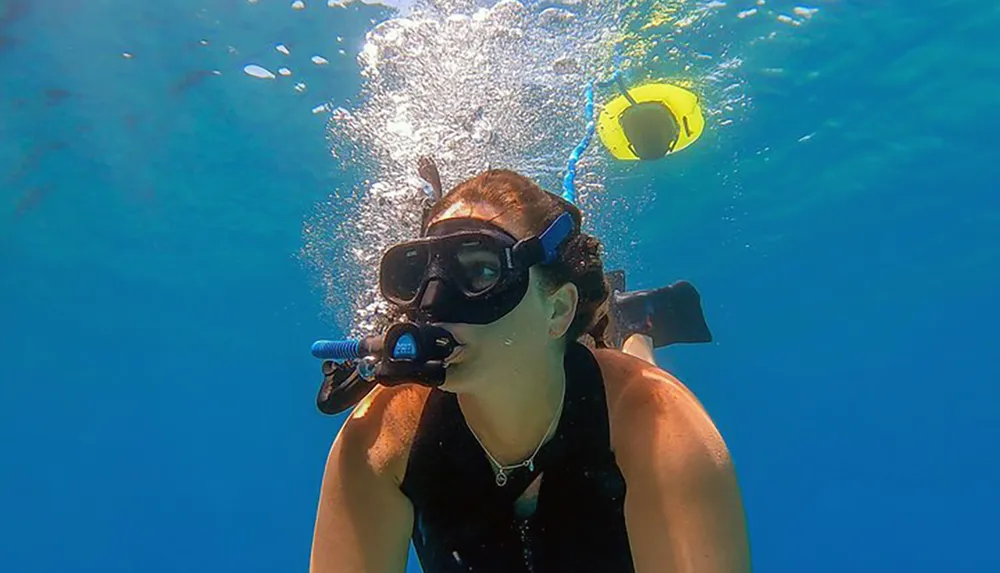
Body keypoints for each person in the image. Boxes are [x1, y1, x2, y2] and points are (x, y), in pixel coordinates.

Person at [310, 169, 751, 572]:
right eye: (419, 275)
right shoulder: (382, 436)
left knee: (629, 362)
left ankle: (629, 326)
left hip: (601, 381)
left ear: (558, 310)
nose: (433, 306)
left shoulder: (657, 421)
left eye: (481, 269)